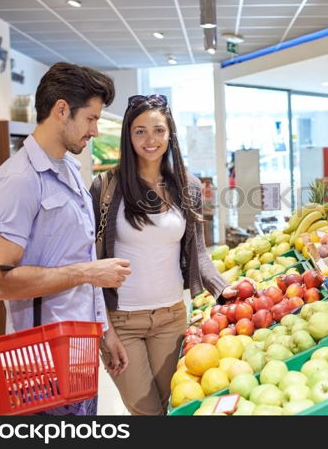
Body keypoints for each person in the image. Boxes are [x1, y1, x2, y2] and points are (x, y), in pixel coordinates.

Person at [0, 62, 132, 416]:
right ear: (62, 109)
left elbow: (73, 257)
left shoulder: (69, 170)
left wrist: (104, 332)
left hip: (78, 356)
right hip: (39, 368)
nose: (95, 130)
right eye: (91, 118)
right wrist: (87, 273)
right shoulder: (17, 181)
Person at [91, 94, 227, 416]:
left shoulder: (187, 186)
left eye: (158, 130)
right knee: (146, 412)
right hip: (122, 321)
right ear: (128, 135)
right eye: (140, 131)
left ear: (170, 134)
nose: (150, 140)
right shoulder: (106, 188)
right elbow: (90, 263)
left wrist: (224, 289)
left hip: (171, 317)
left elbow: (199, 254)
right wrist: (104, 328)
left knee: (175, 407)